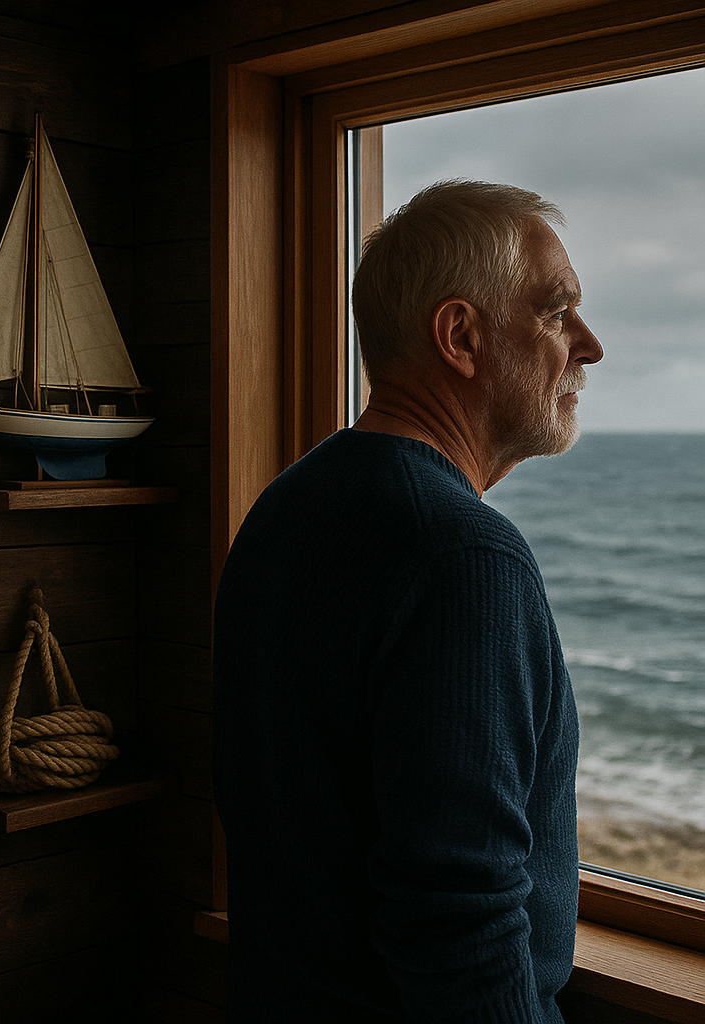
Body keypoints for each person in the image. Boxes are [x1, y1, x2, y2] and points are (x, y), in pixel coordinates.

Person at [212, 180, 604, 1023]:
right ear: (461, 336)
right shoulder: (465, 557)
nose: (590, 345)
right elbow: (460, 919)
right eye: (557, 312)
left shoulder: (287, 508)